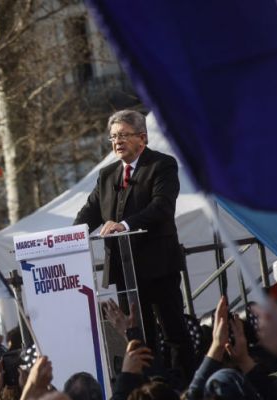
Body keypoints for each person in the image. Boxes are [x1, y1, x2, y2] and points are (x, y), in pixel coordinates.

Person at [74, 109, 193, 378]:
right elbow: (90, 212)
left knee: (174, 332)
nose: (117, 141)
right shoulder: (107, 175)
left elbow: (162, 207)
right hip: (125, 270)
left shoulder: (162, 165)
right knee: (138, 336)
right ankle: (151, 388)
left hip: (159, 266)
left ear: (142, 138)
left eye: (123, 136)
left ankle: (186, 387)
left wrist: (124, 225)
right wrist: (66, 238)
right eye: (113, 137)